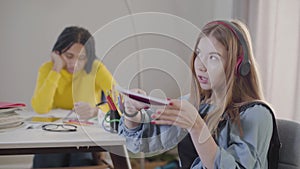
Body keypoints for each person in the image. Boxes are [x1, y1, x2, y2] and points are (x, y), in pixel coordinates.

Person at [118, 20, 274, 169]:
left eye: (213, 57)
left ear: (238, 65)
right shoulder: (195, 104)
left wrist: (197, 127)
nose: (200, 65)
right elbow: (142, 142)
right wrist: (131, 113)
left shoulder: (256, 115)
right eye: (199, 54)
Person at [31, 26, 116, 168]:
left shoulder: (96, 68)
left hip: (83, 135)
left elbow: (119, 101)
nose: (74, 63)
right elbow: (40, 108)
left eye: (81, 58)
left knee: (81, 159)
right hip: (52, 134)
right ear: (58, 53)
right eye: (69, 56)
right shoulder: (48, 69)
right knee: (50, 158)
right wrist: (56, 68)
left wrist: (96, 111)